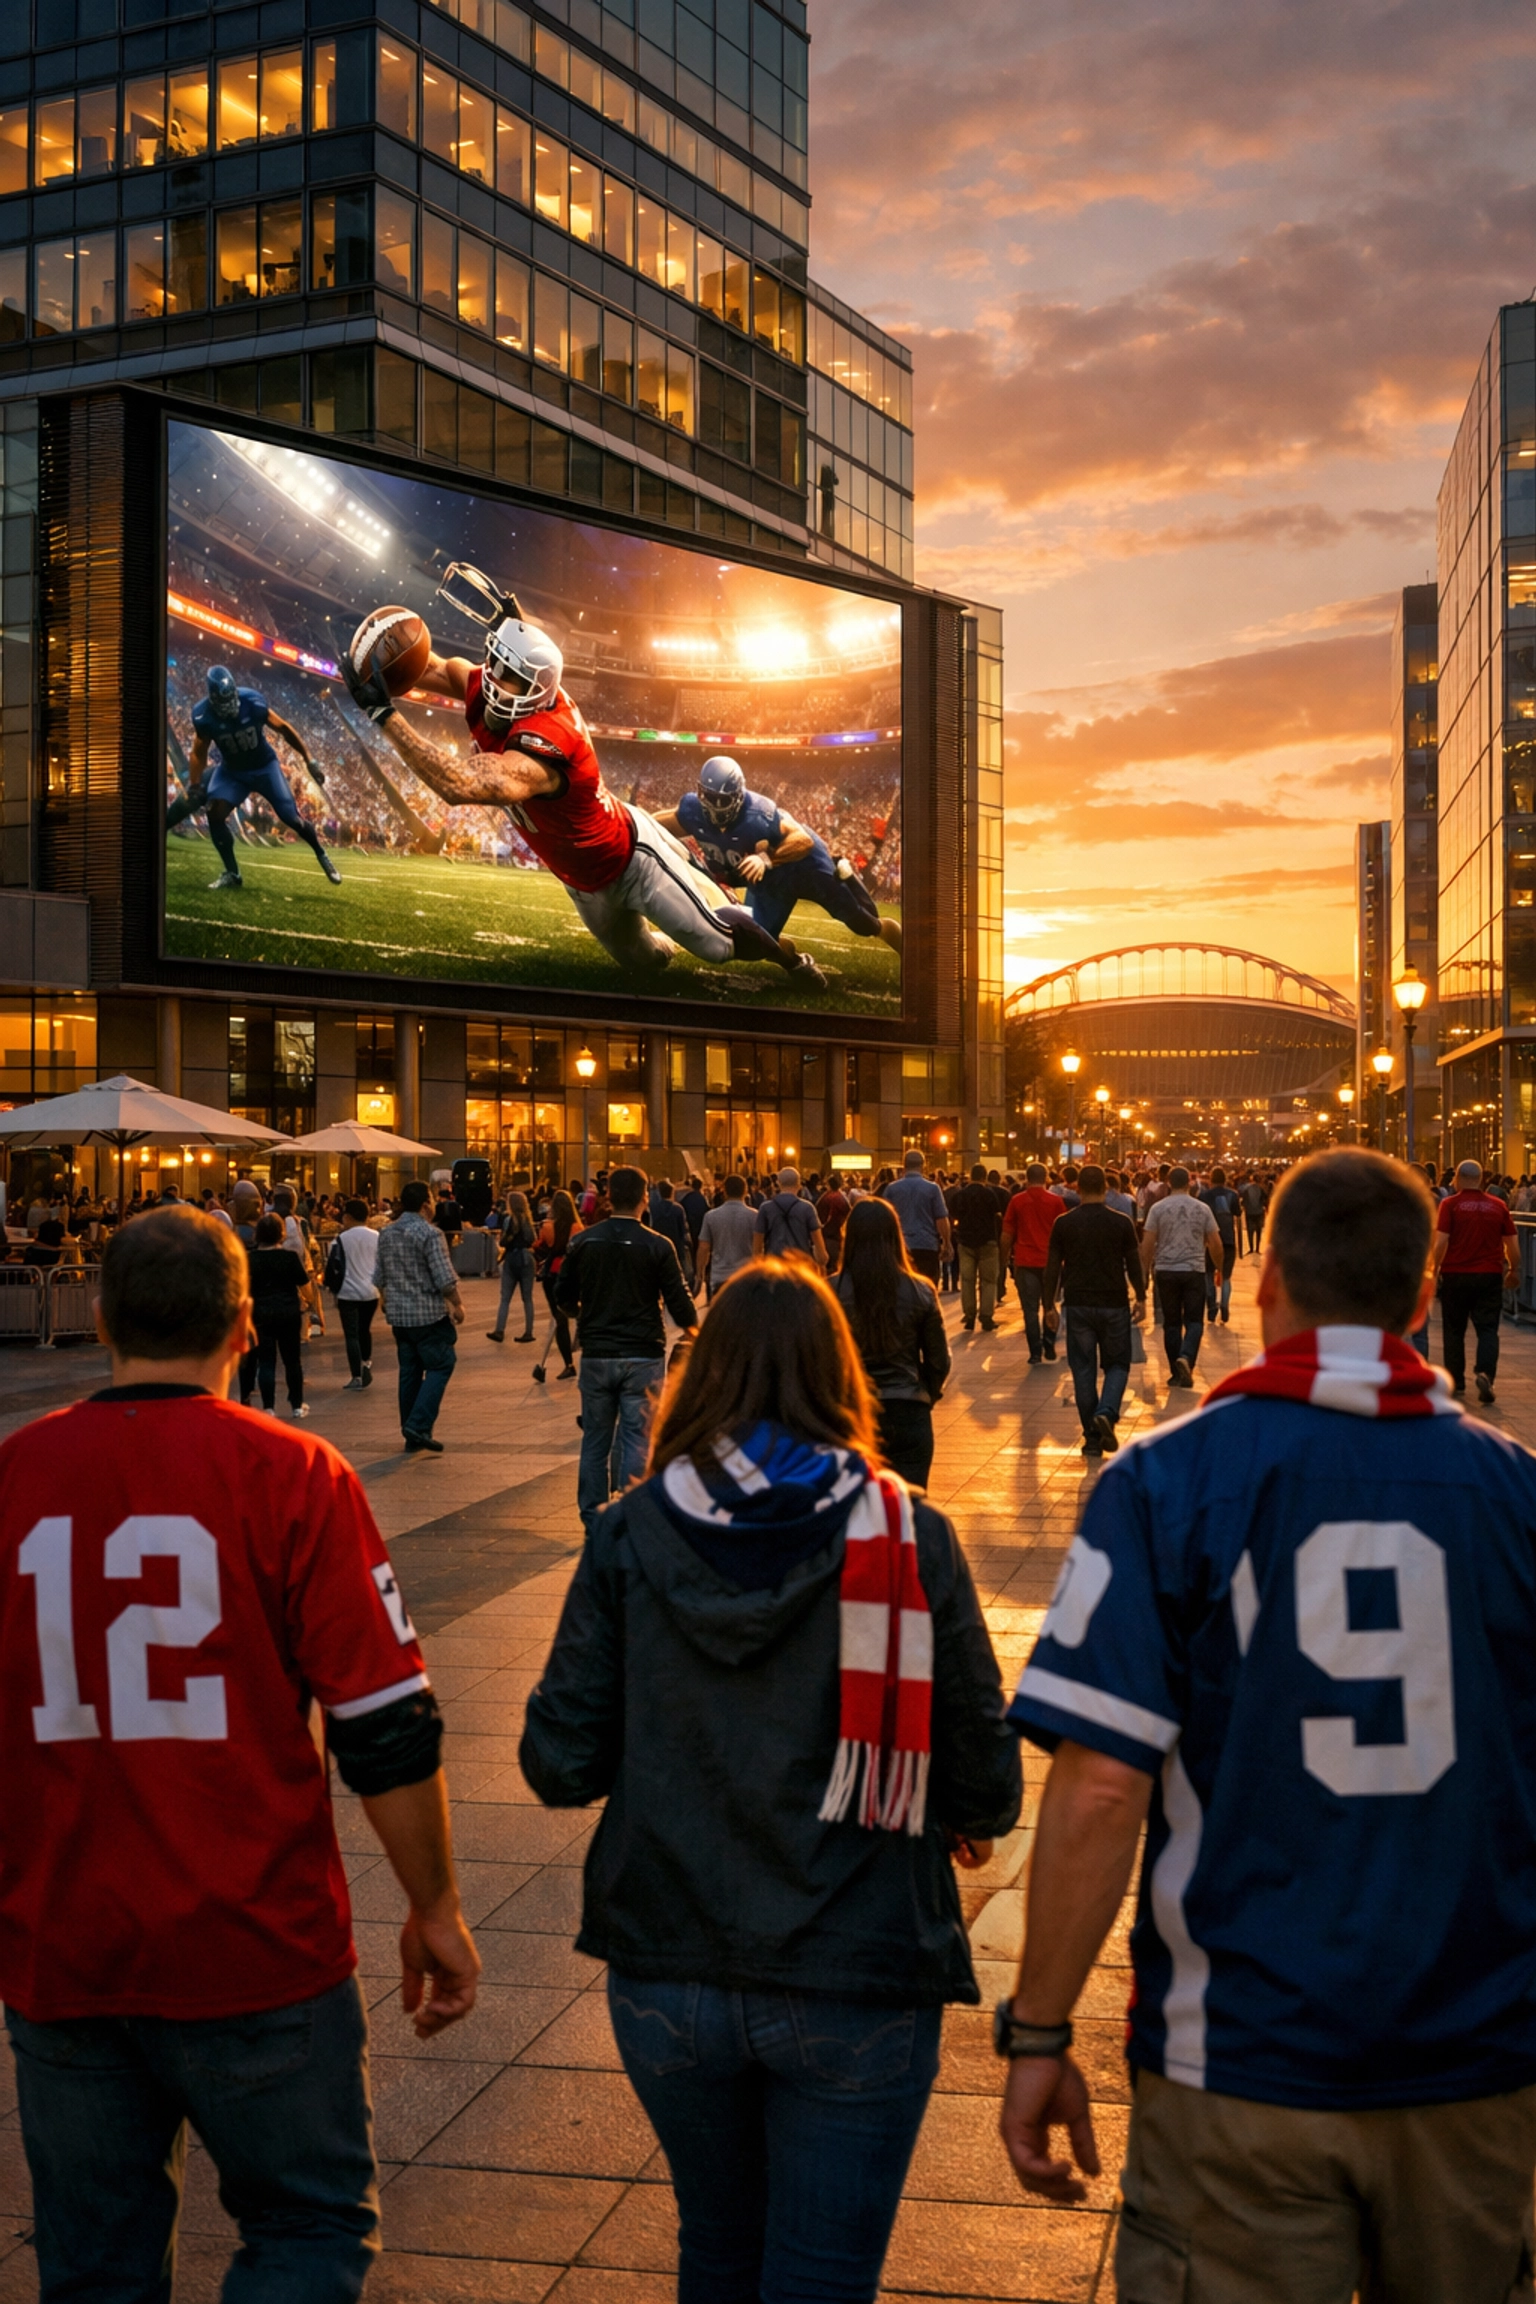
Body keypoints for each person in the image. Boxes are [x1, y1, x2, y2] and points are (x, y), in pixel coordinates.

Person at [997, 1148, 1536, 2303]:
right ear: (1424, 1297)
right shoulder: (1515, 1493)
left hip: (1241, 2055)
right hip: (1475, 2054)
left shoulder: (1165, 1482)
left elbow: (1100, 1785)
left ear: (1264, 1283)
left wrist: (1040, 2031)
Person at [0, 1208, 478, 2300]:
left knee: (91, 2261)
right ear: (245, 1322)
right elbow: (385, 1727)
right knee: (307, 2227)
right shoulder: (295, 1475)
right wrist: (435, 1905)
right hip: (256, 1940)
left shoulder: (16, 1478)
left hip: (65, 1947)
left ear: (106, 1318)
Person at [521, 1260, 1020, 2304]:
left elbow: (559, 1761)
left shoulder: (629, 1532)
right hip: (861, 1959)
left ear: (702, 1379)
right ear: (839, 1378)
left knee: (717, 2250)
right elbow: (987, 1778)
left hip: (670, 1962)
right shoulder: (907, 1534)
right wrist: (954, 1812)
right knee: (821, 2277)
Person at [342, 583, 824, 989]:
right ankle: (701, 892)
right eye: (495, 664)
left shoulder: (549, 740)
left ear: (537, 690)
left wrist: (382, 713)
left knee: (718, 944)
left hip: (629, 858)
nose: (493, 679)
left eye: (510, 676)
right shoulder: (493, 683)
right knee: (650, 965)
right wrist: (375, 661)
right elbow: (428, 667)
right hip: (582, 882)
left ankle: (789, 960)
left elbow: (457, 782)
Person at [556, 1165, 698, 1534]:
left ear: (607, 1197)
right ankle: (631, 1515)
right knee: (638, 1436)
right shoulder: (657, 1244)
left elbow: (563, 1296)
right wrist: (697, 1332)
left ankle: (592, 1518)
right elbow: (680, 1303)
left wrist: (581, 1313)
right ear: (643, 1198)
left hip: (598, 1353)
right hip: (643, 1354)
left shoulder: (585, 1241)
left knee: (595, 1440)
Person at [655, 753, 902, 958]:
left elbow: (802, 840)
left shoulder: (758, 814)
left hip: (804, 865)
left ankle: (848, 878)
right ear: (700, 792)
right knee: (756, 940)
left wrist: (765, 859)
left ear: (739, 796)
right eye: (709, 797)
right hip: (770, 879)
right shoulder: (692, 811)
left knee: (862, 923)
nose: (714, 806)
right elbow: (653, 823)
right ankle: (794, 961)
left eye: (722, 799)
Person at [167, 663, 341, 892]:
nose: (230, 705)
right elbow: (199, 751)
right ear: (211, 698)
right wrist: (196, 784)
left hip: (264, 767)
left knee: (291, 818)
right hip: (233, 771)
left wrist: (309, 759)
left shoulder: (253, 701)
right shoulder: (203, 715)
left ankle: (321, 854)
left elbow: (285, 728)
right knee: (215, 812)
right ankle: (232, 873)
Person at [835, 1197, 951, 1488]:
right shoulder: (921, 1290)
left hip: (852, 1413)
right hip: (908, 1410)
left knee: (855, 1516)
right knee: (909, 1514)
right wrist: (926, 1394)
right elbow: (939, 1361)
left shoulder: (828, 1292)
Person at [1041, 1165, 1145, 1457]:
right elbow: (1134, 1262)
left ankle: (1091, 1437)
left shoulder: (1064, 1223)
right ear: (1105, 1188)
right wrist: (1141, 1296)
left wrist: (1048, 1304)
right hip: (1113, 1302)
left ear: (1078, 1189)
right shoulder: (1121, 1222)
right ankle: (1107, 1411)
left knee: (1083, 1368)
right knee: (1118, 1364)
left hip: (1078, 1304)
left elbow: (1052, 1267)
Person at [375, 1178, 466, 1454]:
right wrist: (458, 1305)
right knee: (442, 1364)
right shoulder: (430, 1234)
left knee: (410, 1371)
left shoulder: (387, 1233)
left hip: (400, 1316)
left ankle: (412, 1433)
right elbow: (444, 1278)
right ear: (426, 1203)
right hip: (427, 1314)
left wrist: (385, 1298)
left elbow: (379, 1275)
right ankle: (418, 1422)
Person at [1432, 1157, 1519, 1402]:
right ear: (1481, 1179)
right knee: (1488, 1328)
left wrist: (1434, 1268)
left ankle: (1455, 1380)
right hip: (1490, 1275)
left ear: (1457, 1178)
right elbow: (1512, 1244)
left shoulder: (1450, 1205)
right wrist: (1514, 1270)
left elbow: (1440, 1242)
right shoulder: (1498, 1205)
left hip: (1456, 1275)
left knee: (1454, 1330)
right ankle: (1485, 1374)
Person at [1141, 1165, 1222, 1387]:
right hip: (1193, 1270)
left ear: (1168, 1182)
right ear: (1189, 1182)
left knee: (1172, 1323)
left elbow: (1147, 1244)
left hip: (1166, 1271)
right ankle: (1186, 1358)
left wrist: (1144, 1273)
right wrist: (1219, 1268)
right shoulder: (1202, 1209)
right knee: (1194, 1321)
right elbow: (1215, 1242)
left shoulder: (1157, 1209)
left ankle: (1176, 1373)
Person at [242, 1212, 314, 1417]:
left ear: (258, 1234)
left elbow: (244, 1287)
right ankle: (297, 1406)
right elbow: (305, 1285)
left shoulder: (251, 1258)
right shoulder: (289, 1257)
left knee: (266, 1361)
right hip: (289, 1312)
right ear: (281, 1234)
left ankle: (268, 1407)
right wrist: (308, 1303)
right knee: (292, 1360)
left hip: (261, 1314)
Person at [1001, 1165, 1067, 1363]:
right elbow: (1063, 1234)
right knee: (1050, 1305)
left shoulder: (1017, 1201)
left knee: (1029, 1309)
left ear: (1026, 1179)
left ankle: (1035, 1352)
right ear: (1046, 1178)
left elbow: (1007, 1235)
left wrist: (1003, 1260)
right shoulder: (1056, 1202)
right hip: (1051, 1263)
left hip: (1025, 1261)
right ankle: (1049, 1342)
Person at [531, 1188, 582, 1383]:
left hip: (553, 1274)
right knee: (575, 1313)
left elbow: (539, 1245)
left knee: (559, 1320)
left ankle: (568, 1364)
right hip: (572, 1275)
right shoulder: (577, 1228)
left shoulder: (547, 1227)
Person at [328, 1196, 380, 1389]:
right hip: (371, 1292)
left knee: (351, 1334)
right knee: (364, 1329)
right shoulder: (376, 1237)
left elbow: (332, 1266)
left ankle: (356, 1375)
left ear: (348, 1217)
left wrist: (332, 1288)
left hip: (347, 1292)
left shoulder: (340, 1239)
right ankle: (366, 1363)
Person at [880, 1150, 952, 1286]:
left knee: (901, 1288)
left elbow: (884, 1219)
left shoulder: (891, 1189)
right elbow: (941, 1219)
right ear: (923, 1165)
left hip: (900, 1247)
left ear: (904, 1165)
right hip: (927, 1246)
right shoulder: (933, 1189)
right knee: (928, 1289)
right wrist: (947, 1244)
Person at [951, 1162, 1004, 1333]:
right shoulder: (989, 1194)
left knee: (967, 1280)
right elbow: (997, 1216)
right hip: (988, 1241)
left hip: (966, 1242)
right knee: (988, 1281)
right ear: (984, 1176)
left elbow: (954, 1216)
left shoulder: (961, 1194)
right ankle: (986, 1316)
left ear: (970, 1176)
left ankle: (970, 1315)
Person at [697, 1173, 758, 1297]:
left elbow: (704, 1247)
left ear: (724, 1191)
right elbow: (759, 1248)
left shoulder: (711, 1216)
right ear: (745, 1192)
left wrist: (700, 1273)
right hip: (746, 1276)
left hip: (720, 1277)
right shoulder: (755, 1216)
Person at [487, 1189, 536, 1344]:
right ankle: (528, 1331)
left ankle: (499, 1330)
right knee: (527, 1298)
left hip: (512, 1258)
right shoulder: (528, 1220)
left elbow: (503, 1241)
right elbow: (532, 1238)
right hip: (526, 1258)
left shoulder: (509, 1219)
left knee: (505, 1298)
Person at [754, 1167, 826, 1266]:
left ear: (778, 1183)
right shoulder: (808, 1208)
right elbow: (821, 1254)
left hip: (774, 1268)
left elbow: (757, 1249)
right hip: (801, 1268)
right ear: (799, 1184)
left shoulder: (765, 1208)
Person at [1199, 1165, 1241, 1325]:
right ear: (1225, 1179)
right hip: (1228, 1239)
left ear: (1211, 1179)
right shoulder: (1232, 1194)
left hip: (1210, 1240)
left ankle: (1211, 1305)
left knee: (1208, 1274)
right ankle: (1224, 1304)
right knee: (1226, 1276)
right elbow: (1237, 1213)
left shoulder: (1204, 1195)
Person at [648, 1177, 694, 1282]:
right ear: (672, 1192)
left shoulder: (654, 1208)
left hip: (657, 1247)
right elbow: (683, 1231)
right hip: (676, 1247)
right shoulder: (678, 1209)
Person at [816, 1177, 852, 1272]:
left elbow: (820, 1214)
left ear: (828, 1184)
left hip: (825, 1235)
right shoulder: (841, 1197)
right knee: (834, 1265)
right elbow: (849, 1213)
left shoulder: (826, 1197)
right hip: (837, 1236)